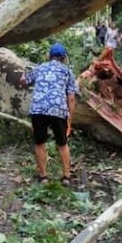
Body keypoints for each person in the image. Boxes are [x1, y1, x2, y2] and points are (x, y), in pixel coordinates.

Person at [19, 42, 78, 185]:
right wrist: (69, 118)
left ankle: (43, 176)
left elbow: (23, 82)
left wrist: (22, 74)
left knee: (40, 142)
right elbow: (71, 97)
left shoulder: (39, 68)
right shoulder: (67, 71)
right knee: (62, 143)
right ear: (64, 58)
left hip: (38, 109)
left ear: (49, 56)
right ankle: (66, 176)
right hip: (58, 109)